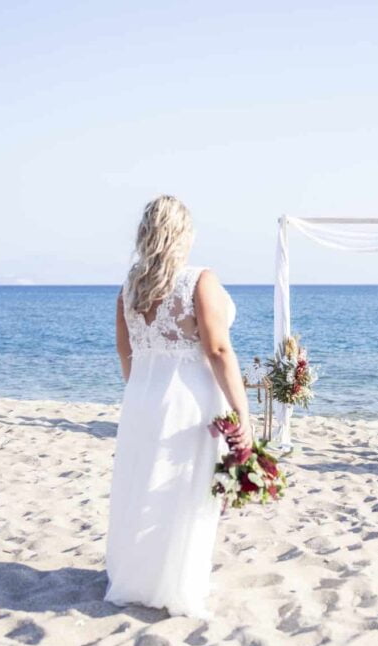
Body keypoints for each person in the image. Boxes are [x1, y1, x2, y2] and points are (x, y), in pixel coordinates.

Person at [106, 195, 252, 617]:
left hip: (142, 396)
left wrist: (142, 390)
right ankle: (177, 582)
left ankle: (136, 577)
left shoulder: (129, 289)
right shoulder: (198, 280)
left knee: (142, 483)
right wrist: (242, 412)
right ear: (182, 234)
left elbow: (125, 352)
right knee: (182, 489)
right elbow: (218, 349)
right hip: (189, 398)